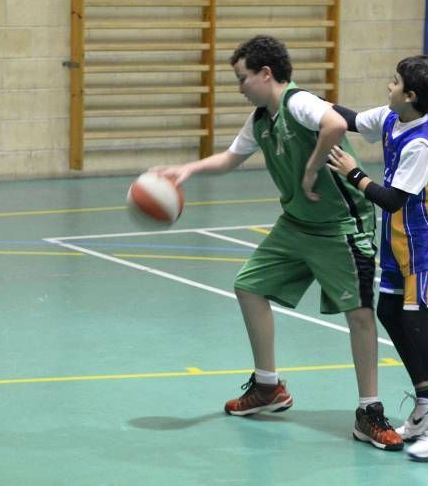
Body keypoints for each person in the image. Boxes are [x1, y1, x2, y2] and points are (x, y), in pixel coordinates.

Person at [152, 35, 403, 451]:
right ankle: (268, 386)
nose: (240, 88)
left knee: (359, 314)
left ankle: (369, 411)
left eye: (242, 79)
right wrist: (187, 170)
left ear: (266, 74)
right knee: (249, 286)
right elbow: (232, 158)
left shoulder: (298, 103)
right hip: (296, 224)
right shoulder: (261, 119)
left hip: (340, 226)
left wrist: (310, 169)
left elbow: (336, 124)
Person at [325, 55, 428, 460]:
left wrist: (354, 172)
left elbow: (391, 199)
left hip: (427, 238)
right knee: (389, 311)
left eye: (394, 82)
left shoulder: (421, 142)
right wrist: (299, 98)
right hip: (400, 236)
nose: (387, 86)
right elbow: (350, 119)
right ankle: (426, 400)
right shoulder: (392, 118)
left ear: (410, 95)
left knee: (414, 317)